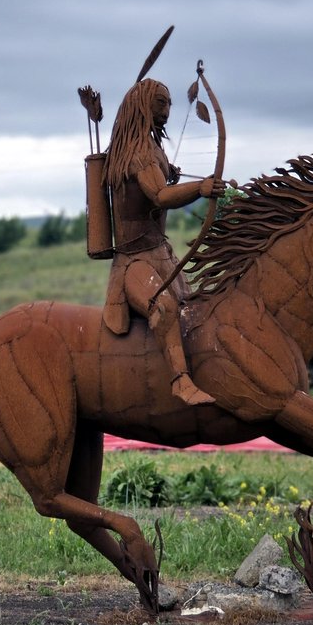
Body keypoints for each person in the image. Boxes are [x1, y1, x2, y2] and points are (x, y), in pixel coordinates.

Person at [102, 78, 224, 406]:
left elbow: (161, 181)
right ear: (143, 105)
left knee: (192, 307)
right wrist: (200, 189)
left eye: (169, 104)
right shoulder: (137, 151)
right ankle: (180, 382)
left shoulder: (152, 147)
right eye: (160, 104)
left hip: (160, 253)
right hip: (135, 261)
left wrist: (172, 172)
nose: (167, 111)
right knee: (165, 308)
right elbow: (159, 195)